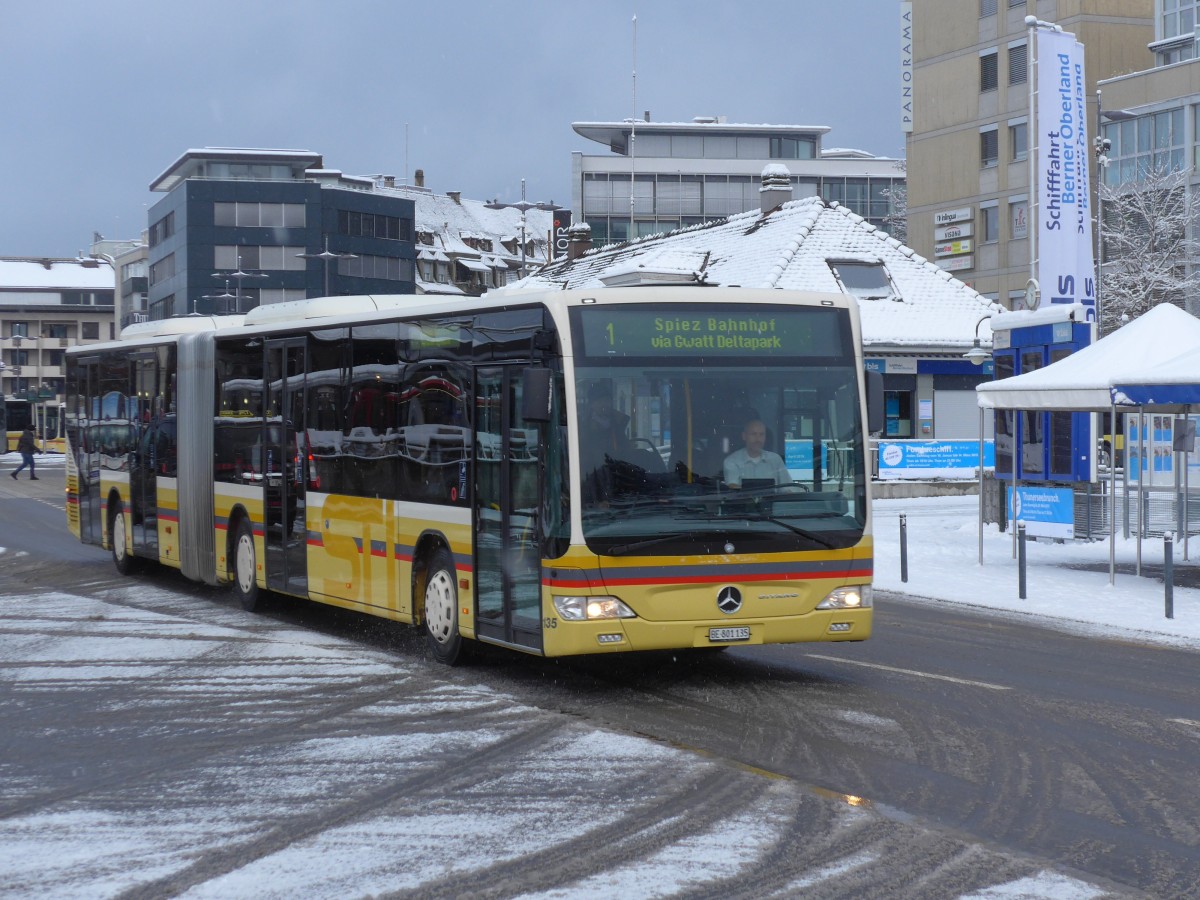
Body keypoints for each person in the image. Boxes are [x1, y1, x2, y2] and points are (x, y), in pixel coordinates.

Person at [723, 418, 788, 488]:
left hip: (774, 499)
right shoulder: (731, 461)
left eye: (761, 434)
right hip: (743, 499)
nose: (758, 439)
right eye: (753, 434)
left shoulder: (776, 460)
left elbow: (789, 489)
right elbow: (733, 489)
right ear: (744, 436)